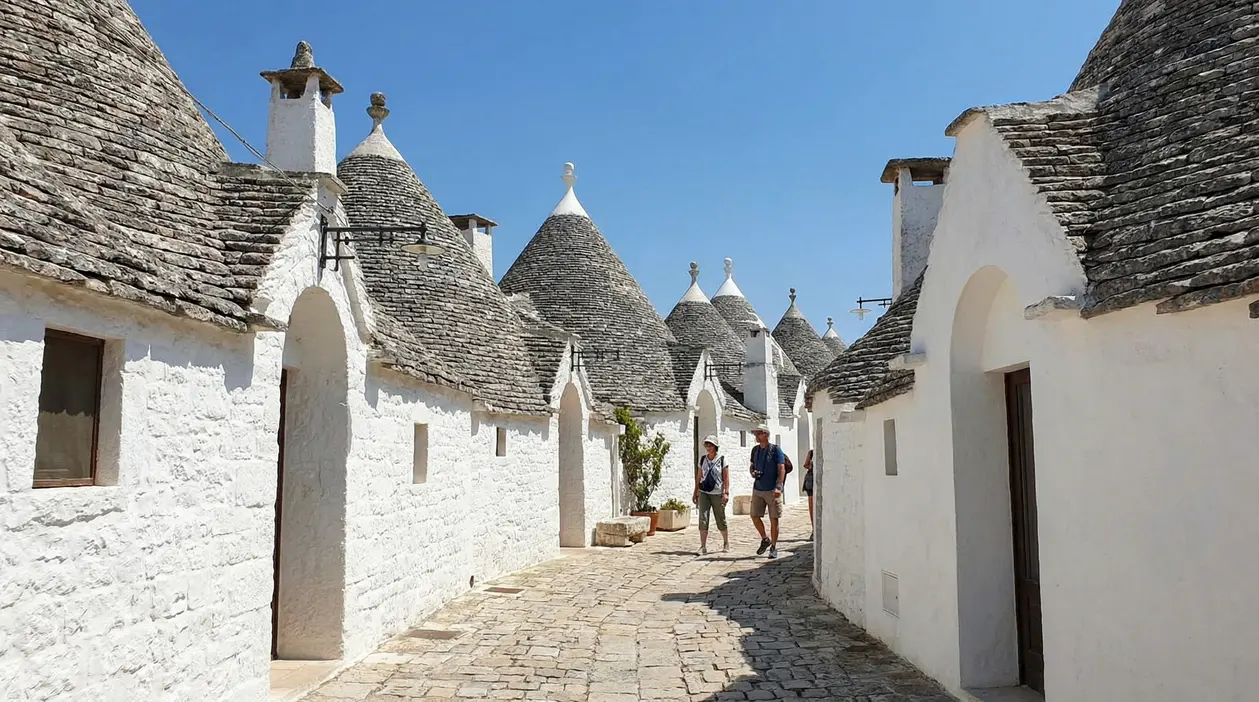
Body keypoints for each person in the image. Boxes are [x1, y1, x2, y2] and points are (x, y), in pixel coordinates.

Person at [748, 424, 786, 559]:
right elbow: (752, 465)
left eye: (759, 433)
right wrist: (753, 472)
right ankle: (765, 538)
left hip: (772, 489)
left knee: (774, 519)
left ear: (766, 434)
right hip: (758, 488)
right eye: (756, 434)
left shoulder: (776, 450)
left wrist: (779, 486)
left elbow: (781, 468)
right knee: (754, 515)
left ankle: (774, 547)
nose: (756, 436)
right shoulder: (755, 450)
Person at [691, 435, 730, 555]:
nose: (708, 447)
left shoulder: (722, 459)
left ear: (715, 446)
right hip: (704, 492)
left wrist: (726, 492)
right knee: (703, 518)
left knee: (720, 518)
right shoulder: (703, 459)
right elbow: (699, 476)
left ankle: (726, 542)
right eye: (706, 444)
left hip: (718, 493)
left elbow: (726, 477)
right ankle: (703, 546)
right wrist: (695, 491)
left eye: (710, 444)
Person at [802, 448, 815, 539]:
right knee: (812, 505)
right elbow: (806, 464)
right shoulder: (812, 452)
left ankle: (814, 529)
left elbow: (806, 464)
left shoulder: (812, 452)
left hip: (810, 479)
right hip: (811, 480)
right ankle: (814, 528)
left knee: (812, 506)